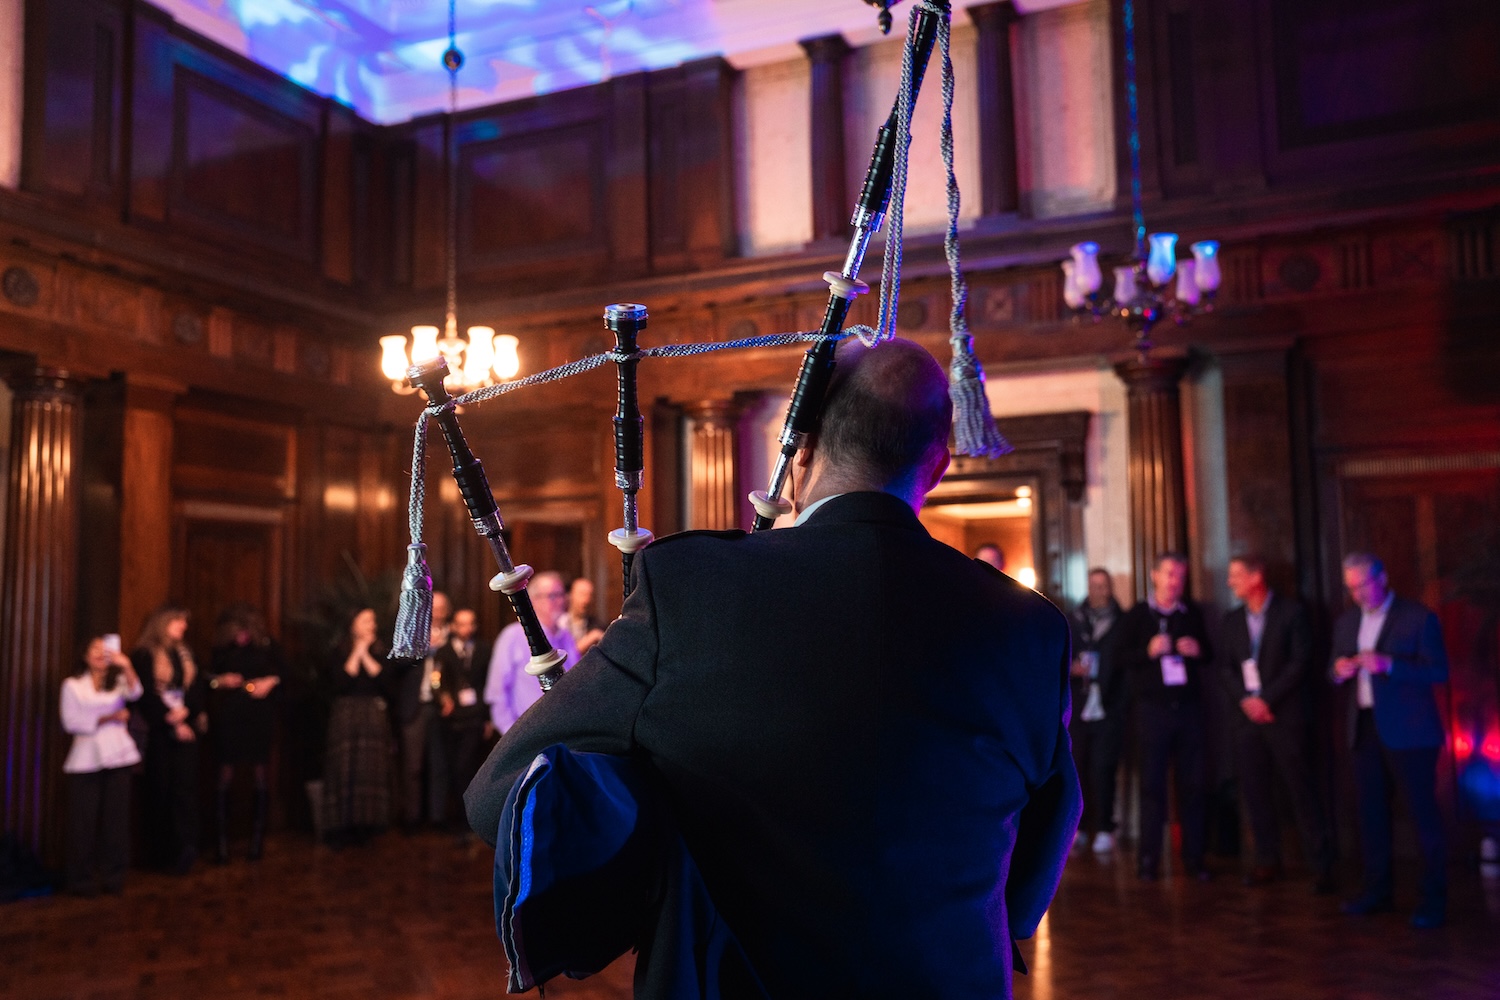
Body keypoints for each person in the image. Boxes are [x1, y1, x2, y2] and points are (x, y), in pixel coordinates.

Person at [466, 337, 1080, 996]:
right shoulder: (1029, 627)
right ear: (939, 464)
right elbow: (1030, 883)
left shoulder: (690, 587)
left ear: (803, 450)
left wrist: (655, 838)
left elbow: (500, 793)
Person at [1331, 552, 1450, 928]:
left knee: (1422, 817)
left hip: (1412, 734)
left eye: (1362, 585)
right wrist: (1338, 671)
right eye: (1350, 588)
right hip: (1365, 729)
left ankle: (1433, 900)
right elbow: (1333, 670)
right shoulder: (1348, 621)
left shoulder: (1418, 618)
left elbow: (1439, 672)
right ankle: (1377, 892)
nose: (1356, 595)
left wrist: (1390, 666)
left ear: (1381, 578)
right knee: (1371, 816)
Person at [1217, 556, 1333, 891]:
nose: (1230, 583)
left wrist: (1266, 699)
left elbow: (1300, 661)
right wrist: (1247, 701)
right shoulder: (1232, 620)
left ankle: (1321, 865)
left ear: (1257, 576)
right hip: (1246, 720)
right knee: (1255, 792)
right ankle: (1267, 860)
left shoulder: (1292, 613)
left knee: (1301, 790)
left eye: (1237, 576)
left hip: (1284, 716)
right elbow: (1225, 668)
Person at [1113, 552, 1214, 881]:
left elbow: (1210, 654)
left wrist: (1197, 651)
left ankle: (1195, 859)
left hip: (1189, 712)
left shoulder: (1191, 613)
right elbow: (1117, 658)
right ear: (1154, 576)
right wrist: (1147, 652)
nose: (1175, 582)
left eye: (1181, 577)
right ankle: (1148, 860)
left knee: (1194, 786)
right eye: (1169, 575)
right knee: (1152, 787)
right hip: (1151, 713)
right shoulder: (1137, 616)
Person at [60, 635, 143, 895]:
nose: (99, 653)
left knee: (115, 820)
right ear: (84, 655)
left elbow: (136, 692)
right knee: (82, 822)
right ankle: (80, 879)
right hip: (86, 759)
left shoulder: (117, 682)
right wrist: (109, 718)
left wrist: (126, 665)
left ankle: (113, 876)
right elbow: (71, 722)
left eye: (103, 649)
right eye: (93, 649)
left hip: (118, 754)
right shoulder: (73, 685)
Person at [131, 605, 207, 874]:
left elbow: (197, 688)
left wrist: (187, 712)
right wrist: (169, 720)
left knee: (185, 791)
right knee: (160, 789)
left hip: (186, 728)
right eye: (178, 620)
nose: (183, 626)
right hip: (159, 733)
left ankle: (186, 849)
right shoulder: (144, 654)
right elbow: (144, 694)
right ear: (163, 622)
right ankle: (162, 854)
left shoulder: (186, 654)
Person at [207, 603, 285, 862]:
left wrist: (270, 682)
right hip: (230, 716)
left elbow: (286, 674)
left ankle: (257, 842)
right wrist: (221, 681)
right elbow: (206, 679)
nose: (242, 635)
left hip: (258, 717)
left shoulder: (267, 645)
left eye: (246, 630)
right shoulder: (221, 649)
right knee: (224, 776)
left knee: (260, 775)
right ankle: (221, 844)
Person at [322, 608, 394, 847]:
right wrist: (358, 651)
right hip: (346, 716)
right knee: (344, 769)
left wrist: (366, 654)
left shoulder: (383, 650)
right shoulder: (338, 651)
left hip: (373, 715)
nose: (371, 625)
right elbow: (342, 681)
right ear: (353, 624)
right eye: (365, 620)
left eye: (373, 620)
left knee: (369, 770)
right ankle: (341, 825)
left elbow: (384, 681)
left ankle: (368, 824)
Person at [1069, 568, 1126, 854]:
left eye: (1104, 585)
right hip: (1078, 706)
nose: (1099, 590)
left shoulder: (1121, 622)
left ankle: (1106, 827)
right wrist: (1071, 669)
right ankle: (1079, 827)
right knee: (1076, 767)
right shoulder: (1073, 619)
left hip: (1108, 707)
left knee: (1104, 769)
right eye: (1094, 585)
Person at [484, 571, 581, 736]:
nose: (560, 601)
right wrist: (513, 736)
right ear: (533, 601)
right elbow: (497, 693)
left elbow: (576, 681)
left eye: (561, 595)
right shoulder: (513, 635)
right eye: (552, 596)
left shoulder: (566, 636)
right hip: (528, 735)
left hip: (564, 733)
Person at [435, 608, 491, 826]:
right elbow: (435, 679)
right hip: (452, 718)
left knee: (469, 765)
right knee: (453, 767)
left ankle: (471, 818)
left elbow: (489, 684)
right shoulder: (444, 651)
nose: (466, 628)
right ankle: (457, 816)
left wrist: (488, 718)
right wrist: (443, 698)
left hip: (475, 717)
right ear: (454, 626)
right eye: (461, 623)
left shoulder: (485, 650)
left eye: (470, 623)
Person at [394, 621, 449, 831]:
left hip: (439, 707)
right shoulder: (409, 633)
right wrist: (425, 647)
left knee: (439, 764)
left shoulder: (449, 636)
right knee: (412, 766)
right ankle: (411, 817)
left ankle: (438, 817)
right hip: (413, 707)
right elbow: (398, 663)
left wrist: (441, 648)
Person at [558, 576, 606, 654]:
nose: (586, 600)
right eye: (582, 594)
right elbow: (564, 656)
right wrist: (590, 638)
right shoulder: (559, 623)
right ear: (570, 596)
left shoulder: (598, 625)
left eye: (589, 595)